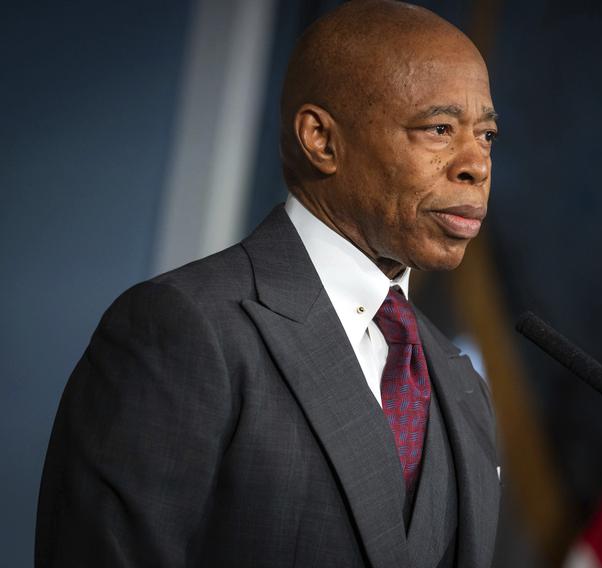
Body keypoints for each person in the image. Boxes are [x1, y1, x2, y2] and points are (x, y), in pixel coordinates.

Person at [35, 1, 501, 566]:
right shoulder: (183, 329)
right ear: (321, 139)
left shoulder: (459, 381)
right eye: (439, 129)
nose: (475, 163)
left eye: (487, 135)